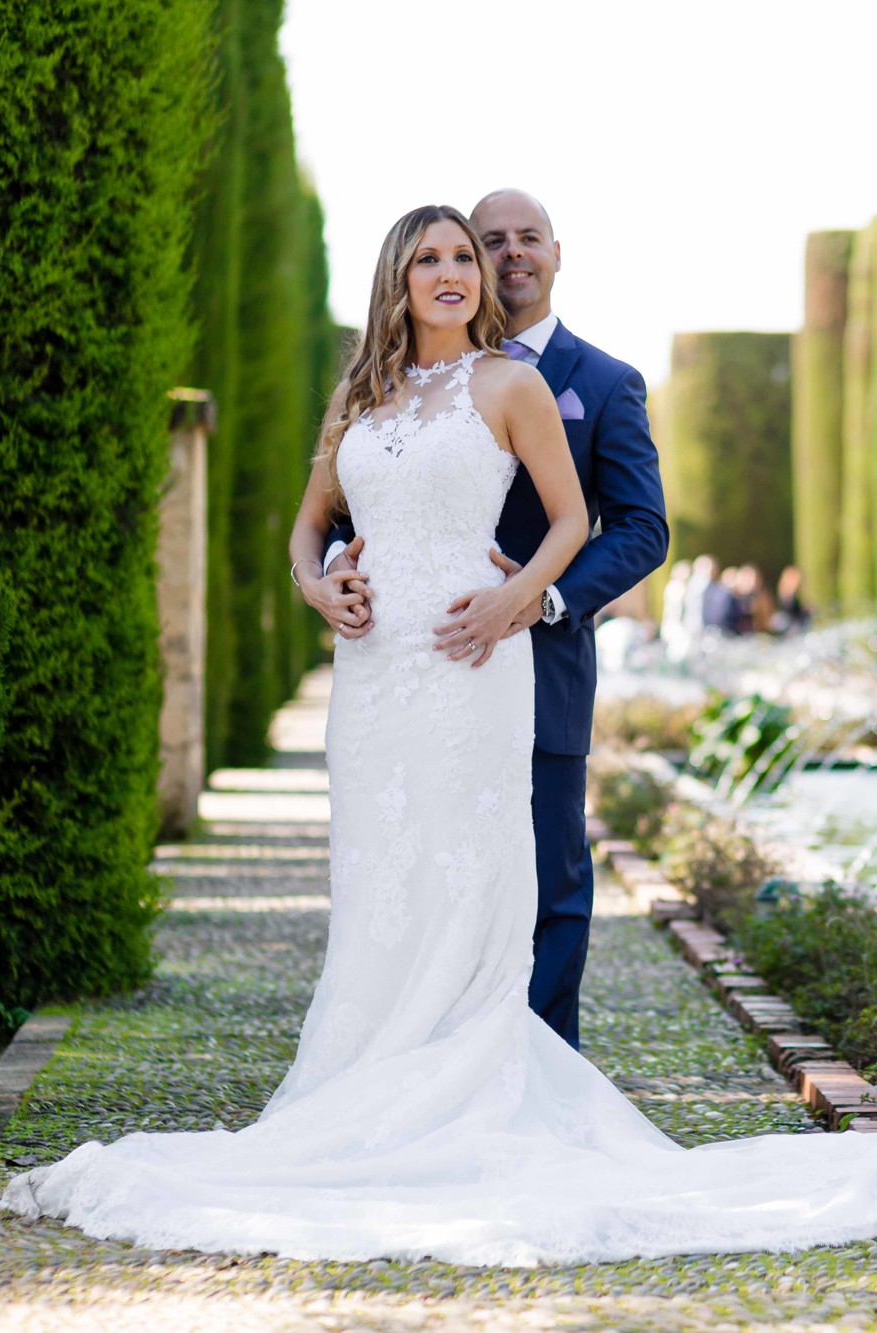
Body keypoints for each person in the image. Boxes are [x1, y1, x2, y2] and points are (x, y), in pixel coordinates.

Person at [0, 205, 877, 1266]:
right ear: (398, 278)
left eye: (467, 255)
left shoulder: (512, 385)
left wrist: (525, 598)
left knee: (480, 878)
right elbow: (308, 523)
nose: (456, 270)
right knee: (380, 878)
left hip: (474, 661)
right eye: (433, 258)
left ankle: (476, 1085)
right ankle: (365, 1081)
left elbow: (578, 520)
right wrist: (317, 586)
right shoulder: (357, 393)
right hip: (373, 678)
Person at [317, 188, 666, 1049]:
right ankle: (409, 1057)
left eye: (528, 238)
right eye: (491, 240)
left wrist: (538, 597)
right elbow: (338, 510)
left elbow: (640, 527)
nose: (510, 254)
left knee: (545, 885)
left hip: (537, 662)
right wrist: (330, 572)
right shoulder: (382, 384)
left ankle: (523, 1073)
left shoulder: (603, 382)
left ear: (557, 254)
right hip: (399, 662)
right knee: (407, 868)